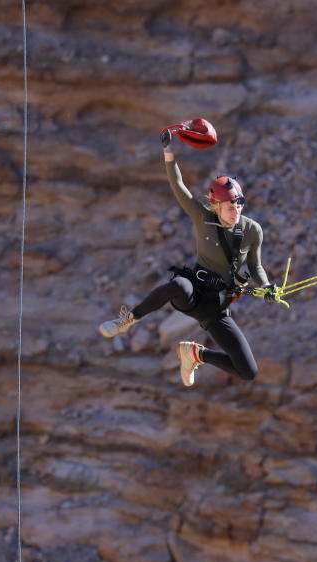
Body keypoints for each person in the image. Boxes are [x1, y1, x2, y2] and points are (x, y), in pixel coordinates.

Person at [98, 128, 276, 387]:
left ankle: (195, 354)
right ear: (215, 205)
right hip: (195, 292)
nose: (235, 210)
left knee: (248, 371)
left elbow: (255, 266)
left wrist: (267, 286)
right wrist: (168, 152)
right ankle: (127, 320)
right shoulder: (203, 218)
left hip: (216, 308)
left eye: (238, 204)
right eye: (229, 206)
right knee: (178, 285)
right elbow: (178, 186)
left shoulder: (251, 230)